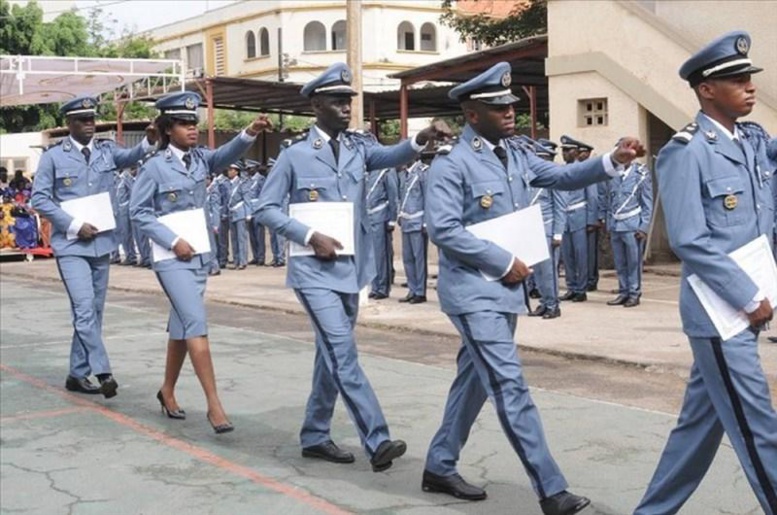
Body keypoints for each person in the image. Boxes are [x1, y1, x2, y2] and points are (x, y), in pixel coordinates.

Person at [422, 61, 644, 514]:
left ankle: (439, 465)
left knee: (474, 381)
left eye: (511, 105)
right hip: (473, 291)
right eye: (498, 106)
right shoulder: (451, 164)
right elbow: (443, 229)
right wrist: (502, 260)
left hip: (505, 291)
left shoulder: (517, 154)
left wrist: (612, 160)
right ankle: (551, 489)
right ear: (472, 114)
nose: (510, 112)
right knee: (509, 384)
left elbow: (561, 177)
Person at [255, 62, 450, 472]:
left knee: (330, 354)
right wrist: (309, 235)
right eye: (338, 101)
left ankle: (315, 434)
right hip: (313, 270)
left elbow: (393, 154)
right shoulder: (294, 155)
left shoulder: (359, 148)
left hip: (350, 269)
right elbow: (266, 209)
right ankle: (376, 439)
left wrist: (422, 137)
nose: (347, 108)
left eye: (348, 101)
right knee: (343, 351)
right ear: (316, 105)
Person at [634, 31, 776, 515]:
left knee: (699, 426)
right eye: (736, 80)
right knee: (759, 425)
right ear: (706, 90)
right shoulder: (686, 152)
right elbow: (690, 240)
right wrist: (747, 294)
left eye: (749, 78)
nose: (749, 87)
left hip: (747, 305)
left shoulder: (753, 142)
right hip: (721, 310)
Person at [130, 91, 272, 433]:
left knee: (182, 325)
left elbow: (225, 154)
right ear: (167, 129)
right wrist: (172, 241)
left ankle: (167, 390)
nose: (191, 129)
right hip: (170, 257)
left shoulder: (199, 160)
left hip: (197, 255)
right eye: (183, 123)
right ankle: (214, 404)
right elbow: (138, 212)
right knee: (196, 322)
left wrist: (250, 132)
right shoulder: (154, 167)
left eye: (194, 122)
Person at [31, 95, 155, 397]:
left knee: (94, 312)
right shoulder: (53, 157)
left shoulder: (106, 151)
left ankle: (76, 374)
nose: (89, 125)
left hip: (101, 245)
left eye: (92, 119)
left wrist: (150, 141)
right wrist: (73, 224)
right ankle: (103, 371)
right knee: (84, 309)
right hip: (72, 245)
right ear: (69, 124)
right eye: (82, 120)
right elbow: (40, 199)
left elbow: (133, 156)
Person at [600, 159, 653, 307]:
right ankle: (623, 292)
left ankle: (634, 292)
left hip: (632, 225)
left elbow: (647, 203)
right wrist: (609, 225)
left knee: (633, 262)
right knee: (620, 262)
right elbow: (609, 202)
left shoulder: (640, 175)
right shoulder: (613, 175)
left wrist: (643, 228)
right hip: (616, 225)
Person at [525, 138, 567, 320]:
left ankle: (553, 305)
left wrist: (558, 233)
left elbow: (560, 206)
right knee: (539, 271)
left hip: (547, 228)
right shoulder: (530, 179)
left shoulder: (553, 177)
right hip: (532, 228)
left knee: (549, 271)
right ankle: (544, 302)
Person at [558, 136, 596, 303]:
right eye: (563, 150)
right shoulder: (561, 170)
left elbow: (592, 196)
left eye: (567, 150)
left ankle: (581, 289)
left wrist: (591, 220)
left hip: (580, 216)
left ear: (575, 152)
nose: (564, 153)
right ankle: (571, 287)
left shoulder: (584, 170)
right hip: (564, 218)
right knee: (567, 256)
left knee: (581, 255)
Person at [398, 157, 429, 304]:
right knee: (408, 258)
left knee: (419, 259)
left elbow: (428, 198)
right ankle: (412, 289)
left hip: (418, 221)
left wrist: (425, 223)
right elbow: (400, 197)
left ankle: (420, 292)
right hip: (406, 221)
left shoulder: (422, 172)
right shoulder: (404, 174)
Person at [366, 166, 399, 300]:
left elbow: (393, 196)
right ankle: (375, 286)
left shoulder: (386, 171)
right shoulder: (366, 171)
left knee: (381, 254)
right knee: (372, 256)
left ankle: (383, 288)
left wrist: (392, 219)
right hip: (368, 217)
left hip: (381, 216)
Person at [226, 162, 251, 270]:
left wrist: (248, 213)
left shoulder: (242, 183)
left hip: (240, 212)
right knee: (234, 239)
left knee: (241, 238)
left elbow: (247, 199)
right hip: (231, 213)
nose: (229, 172)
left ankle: (243, 261)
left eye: (231, 170)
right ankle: (236, 261)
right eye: (229, 170)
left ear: (236, 172)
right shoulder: (228, 183)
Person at [245, 160, 267, 266]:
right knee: (252, 236)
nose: (249, 171)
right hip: (249, 211)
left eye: (250, 168)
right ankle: (255, 256)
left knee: (259, 235)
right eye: (248, 169)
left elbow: (263, 195)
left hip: (258, 210)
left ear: (255, 168)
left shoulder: (261, 180)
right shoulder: (247, 180)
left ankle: (261, 257)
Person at [116, 167, 139, 265]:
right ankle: (129, 255)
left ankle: (131, 256)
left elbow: (132, 190)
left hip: (126, 208)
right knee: (123, 234)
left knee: (127, 234)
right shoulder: (119, 176)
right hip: (120, 209)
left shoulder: (126, 176)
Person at [205, 174, 223, 276]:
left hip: (211, 222)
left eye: (206, 179)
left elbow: (215, 208)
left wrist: (216, 224)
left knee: (211, 246)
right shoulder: (204, 192)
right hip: (204, 221)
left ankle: (215, 266)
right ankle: (209, 266)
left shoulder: (213, 192)